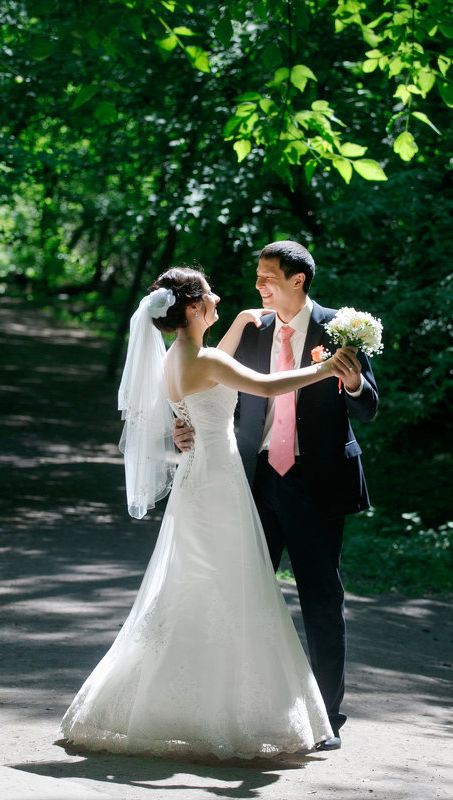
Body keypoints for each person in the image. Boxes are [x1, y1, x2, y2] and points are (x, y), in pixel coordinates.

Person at [59, 266, 361, 760]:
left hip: (197, 480)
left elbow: (208, 374)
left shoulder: (177, 358)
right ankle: (229, 707)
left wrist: (241, 321)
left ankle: (166, 701)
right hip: (219, 483)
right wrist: (330, 368)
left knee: (196, 587)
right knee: (234, 590)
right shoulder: (206, 362)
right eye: (211, 295)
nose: (220, 297)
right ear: (195, 306)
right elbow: (267, 386)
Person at [173, 241, 379, 751]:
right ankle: (243, 710)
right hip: (252, 481)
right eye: (258, 276)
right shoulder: (251, 328)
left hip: (318, 483)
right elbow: (203, 384)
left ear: (298, 281)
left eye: (268, 277)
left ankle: (327, 718)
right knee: (242, 598)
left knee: (321, 600)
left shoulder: (340, 327)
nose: (259, 285)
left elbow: (369, 408)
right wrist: (184, 430)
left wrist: (352, 383)